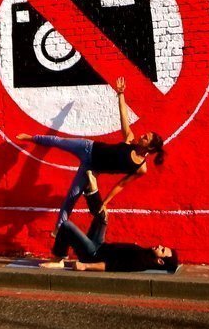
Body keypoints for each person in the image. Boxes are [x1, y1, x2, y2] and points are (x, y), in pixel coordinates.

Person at [16, 76, 165, 232]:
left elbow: (121, 185)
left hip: (91, 169)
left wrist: (105, 202)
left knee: (71, 198)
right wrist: (121, 95)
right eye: (144, 135)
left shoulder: (141, 168)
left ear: (150, 148)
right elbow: (124, 118)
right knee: (58, 141)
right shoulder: (130, 140)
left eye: (145, 138)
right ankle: (32, 138)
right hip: (87, 147)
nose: (142, 136)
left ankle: (59, 229)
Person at [43, 212, 179, 273]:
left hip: (93, 254)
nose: (160, 246)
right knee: (102, 215)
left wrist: (85, 266)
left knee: (66, 226)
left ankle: (59, 259)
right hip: (99, 245)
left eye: (162, 250)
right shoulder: (145, 253)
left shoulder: (140, 262)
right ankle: (91, 190)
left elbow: (111, 266)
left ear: (160, 261)